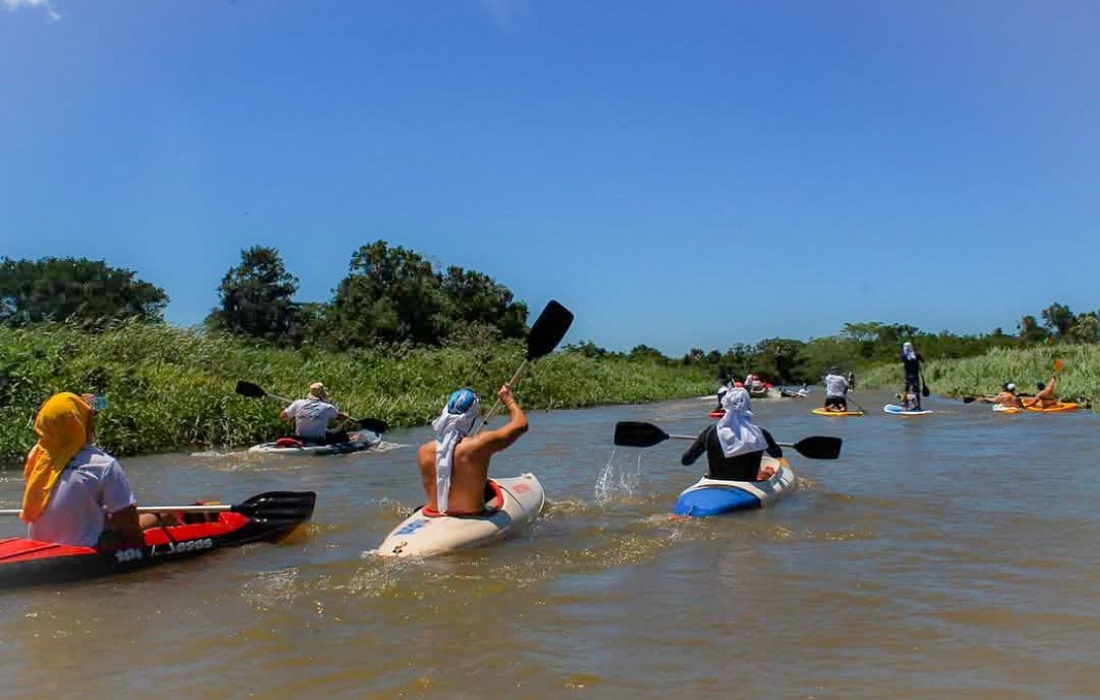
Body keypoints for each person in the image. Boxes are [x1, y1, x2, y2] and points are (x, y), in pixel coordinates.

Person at [20, 392, 175, 547]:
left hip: (40, 546)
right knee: (164, 515)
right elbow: (129, 529)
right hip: (86, 548)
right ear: (80, 424)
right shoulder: (102, 464)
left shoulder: (37, 458)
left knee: (109, 514)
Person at [417, 385, 528, 516]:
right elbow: (521, 425)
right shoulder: (479, 445)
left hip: (435, 515)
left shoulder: (424, 451)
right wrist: (509, 400)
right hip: (473, 516)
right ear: (471, 418)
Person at [681, 386, 783, 482]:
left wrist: (703, 442)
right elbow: (777, 454)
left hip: (715, 483)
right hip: (748, 485)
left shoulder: (709, 432)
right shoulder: (760, 433)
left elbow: (686, 461)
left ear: (725, 405)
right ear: (748, 406)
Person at [280, 382, 351, 445]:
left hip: (300, 438)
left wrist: (300, 414)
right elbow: (340, 417)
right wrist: (345, 416)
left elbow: (283, 416)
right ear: (322, 395)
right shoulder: (327, 407)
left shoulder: (298, 403)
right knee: (340, 432)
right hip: (318, 440)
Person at [900, 342, 923, 410]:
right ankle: (918, 406)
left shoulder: (904, 355)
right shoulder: (916, 354)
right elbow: (922, 360)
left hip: (908, 376)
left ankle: (905, 405)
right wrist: (917, 354)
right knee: (916, 391)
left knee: (906, 390)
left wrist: (916, 354)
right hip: (915, 376)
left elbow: (902, 360)